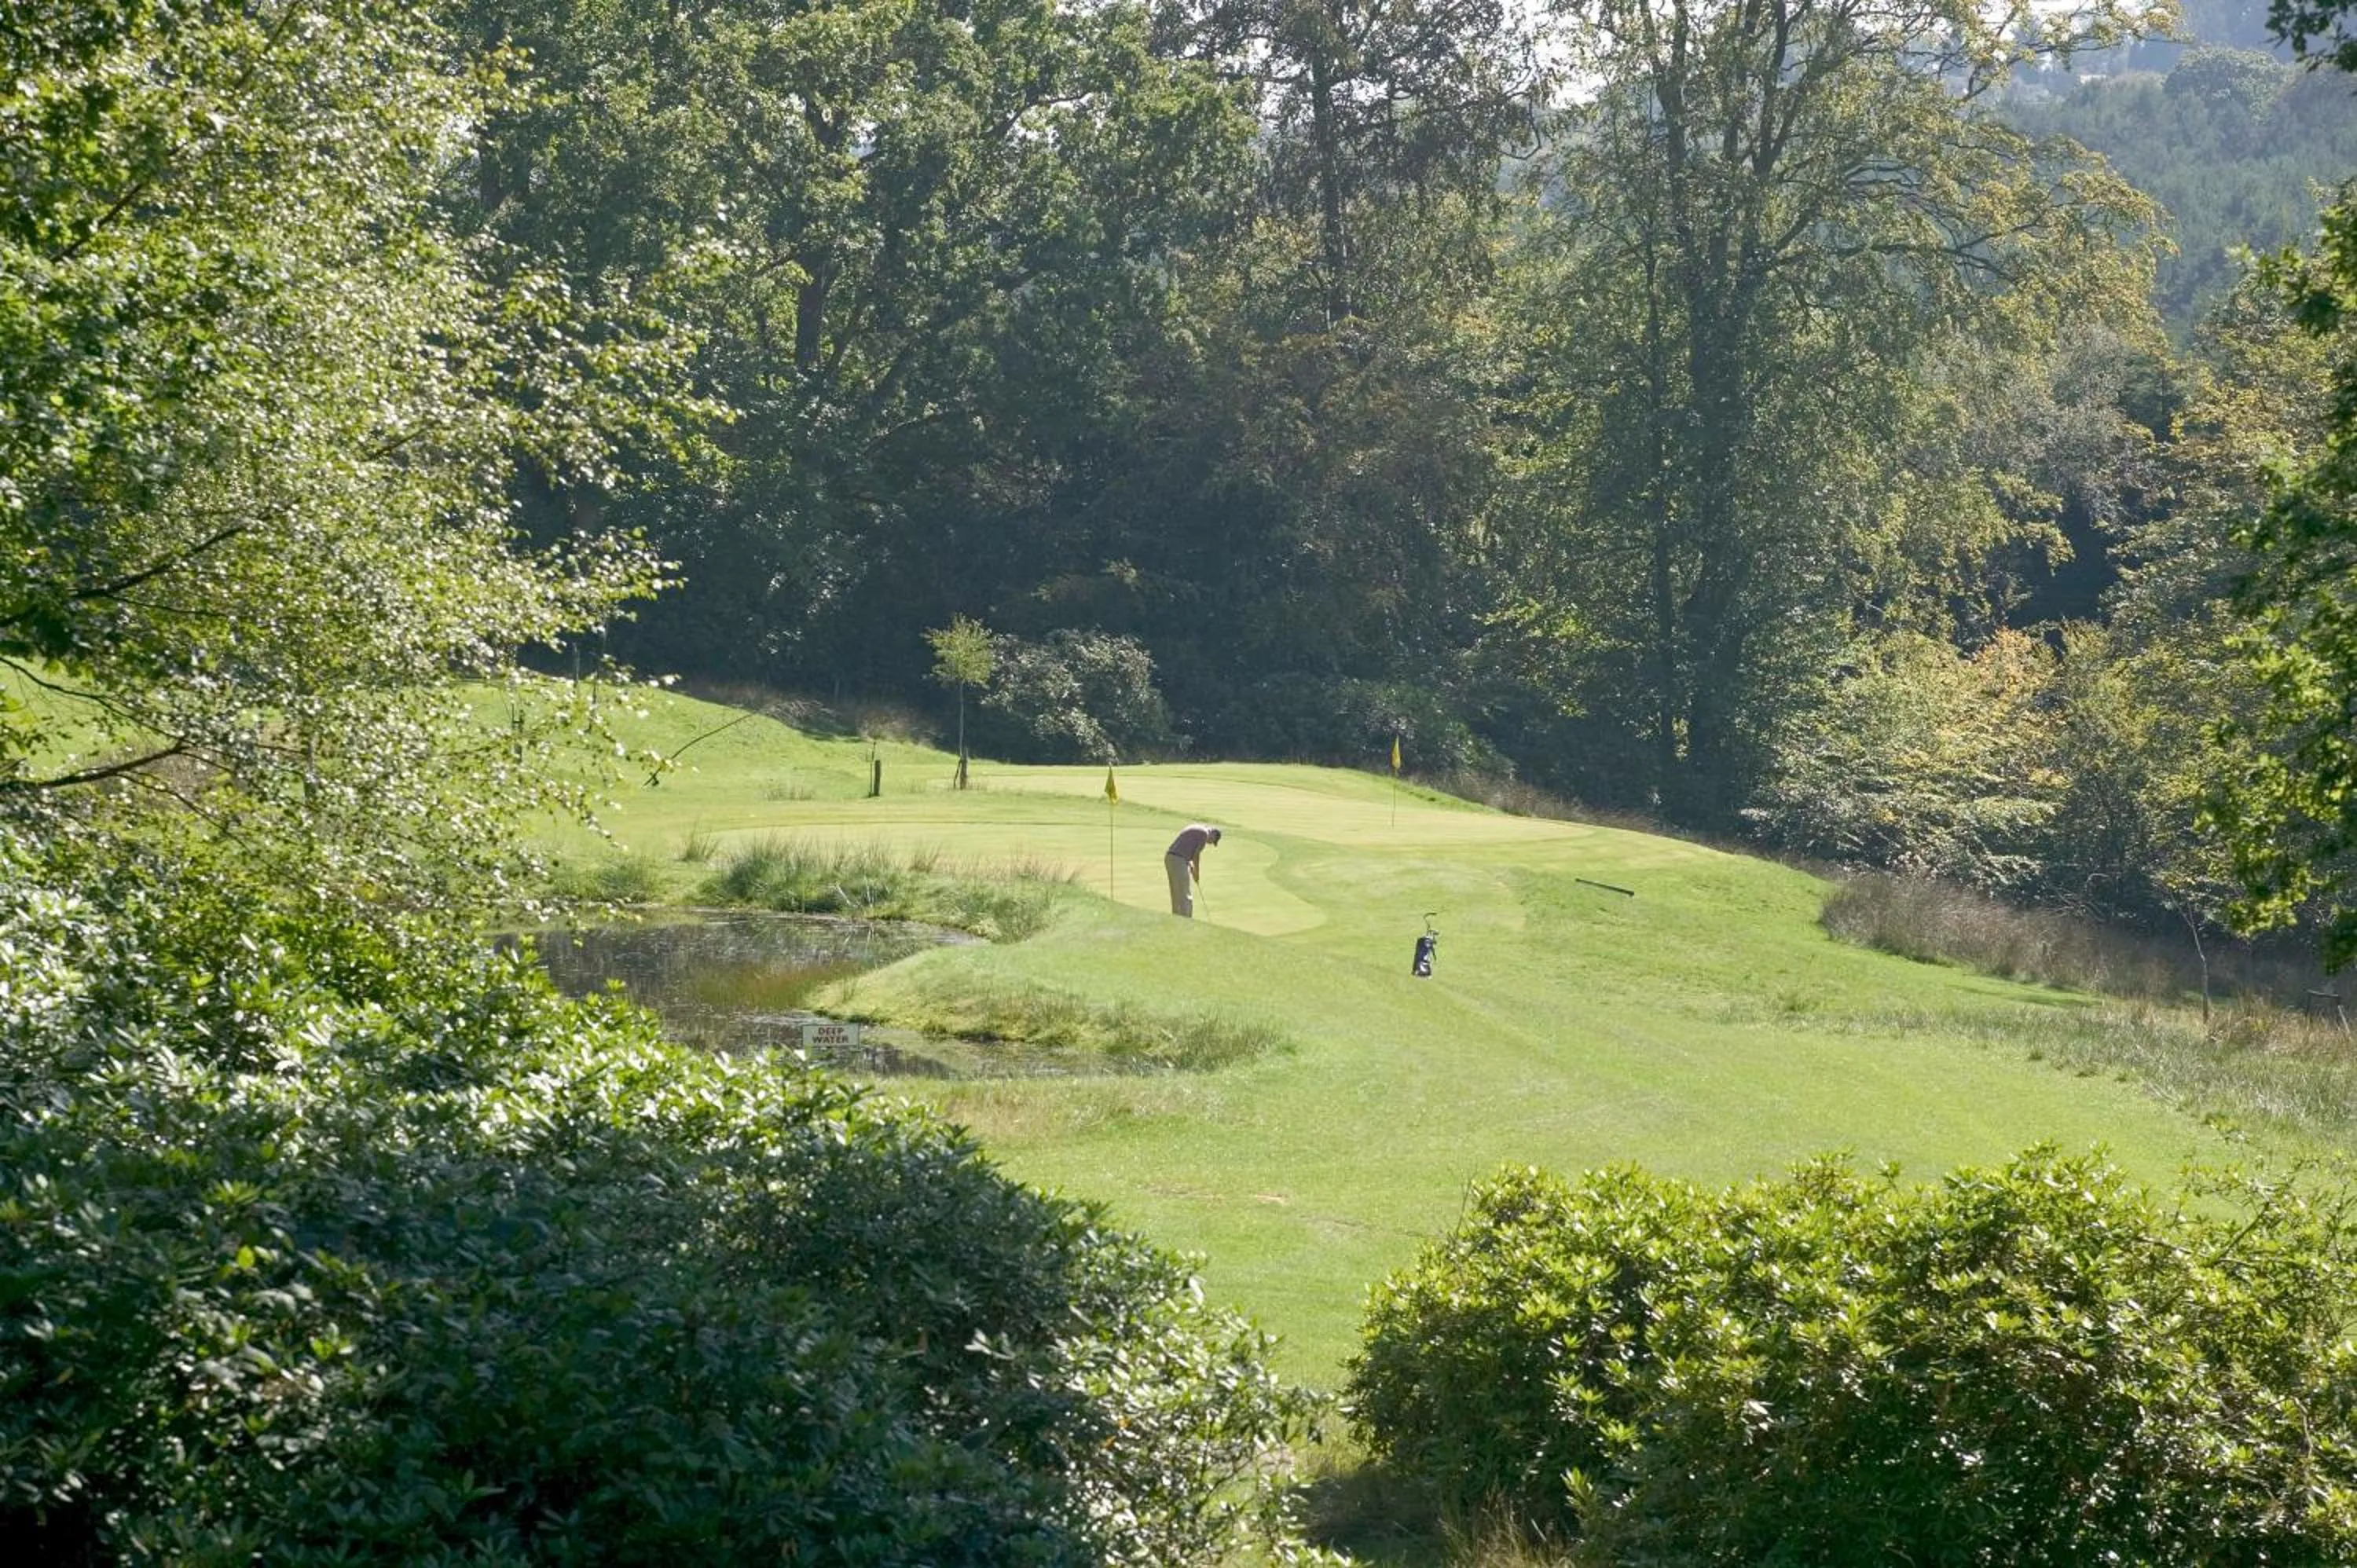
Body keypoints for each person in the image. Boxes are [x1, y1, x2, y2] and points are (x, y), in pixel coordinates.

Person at [1164, 823, 1221, 917]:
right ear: (1213, 834)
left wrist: (1190, 866)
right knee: (1185, 892)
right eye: (1213, 841)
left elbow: (1186, 848)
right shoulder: (1204, 834)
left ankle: (1176, 917)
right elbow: (1196, 856)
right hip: (1178, 859)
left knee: (1176, 892)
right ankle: (1186, 919)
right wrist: (1196, 873)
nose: (1210, 843)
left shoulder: (1197, 828)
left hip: (1170, 858)